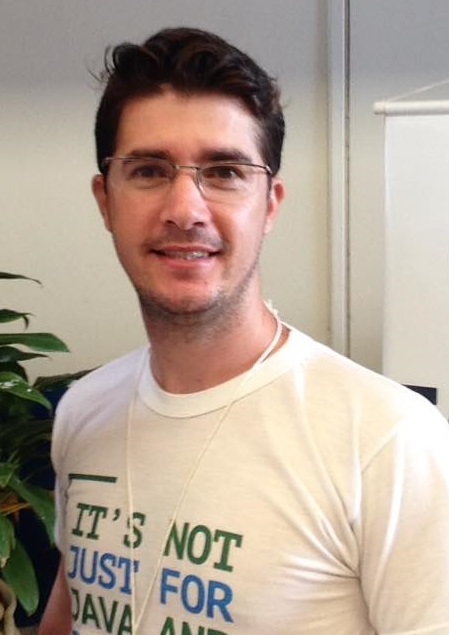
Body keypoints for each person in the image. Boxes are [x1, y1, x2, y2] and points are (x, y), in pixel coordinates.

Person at [38, 26, 449, 635]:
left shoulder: (388, 441)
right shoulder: (84, 410)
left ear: (270, 203)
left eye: (225, 171)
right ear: (106, 201)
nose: (185, 209)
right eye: (149, 170)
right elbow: (75, 606)